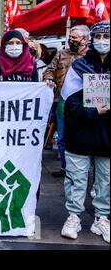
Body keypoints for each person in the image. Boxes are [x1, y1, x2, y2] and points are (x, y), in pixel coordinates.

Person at [60, 20, 110, 244]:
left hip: (107, 137)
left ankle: (102, 218)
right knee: (76, 178)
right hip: (79, 135)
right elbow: (68, 103)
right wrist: (92, 111)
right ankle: (74, 216)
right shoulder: (79, 67)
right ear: (91, 40)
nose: (102, 41)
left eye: (106, 37)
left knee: (106, 180)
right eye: (98, 37)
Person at [43, 25, 90, 178]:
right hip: (62, 102)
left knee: (84, 137)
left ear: (85, 40)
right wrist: (49, 78)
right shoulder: (62, 53)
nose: (71, 40)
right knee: (62, 138)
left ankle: (84, 171)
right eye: (70, 38)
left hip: (84, 104)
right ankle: (65, 168)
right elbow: (49, 69)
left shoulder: (91, 56)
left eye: (74, 38)